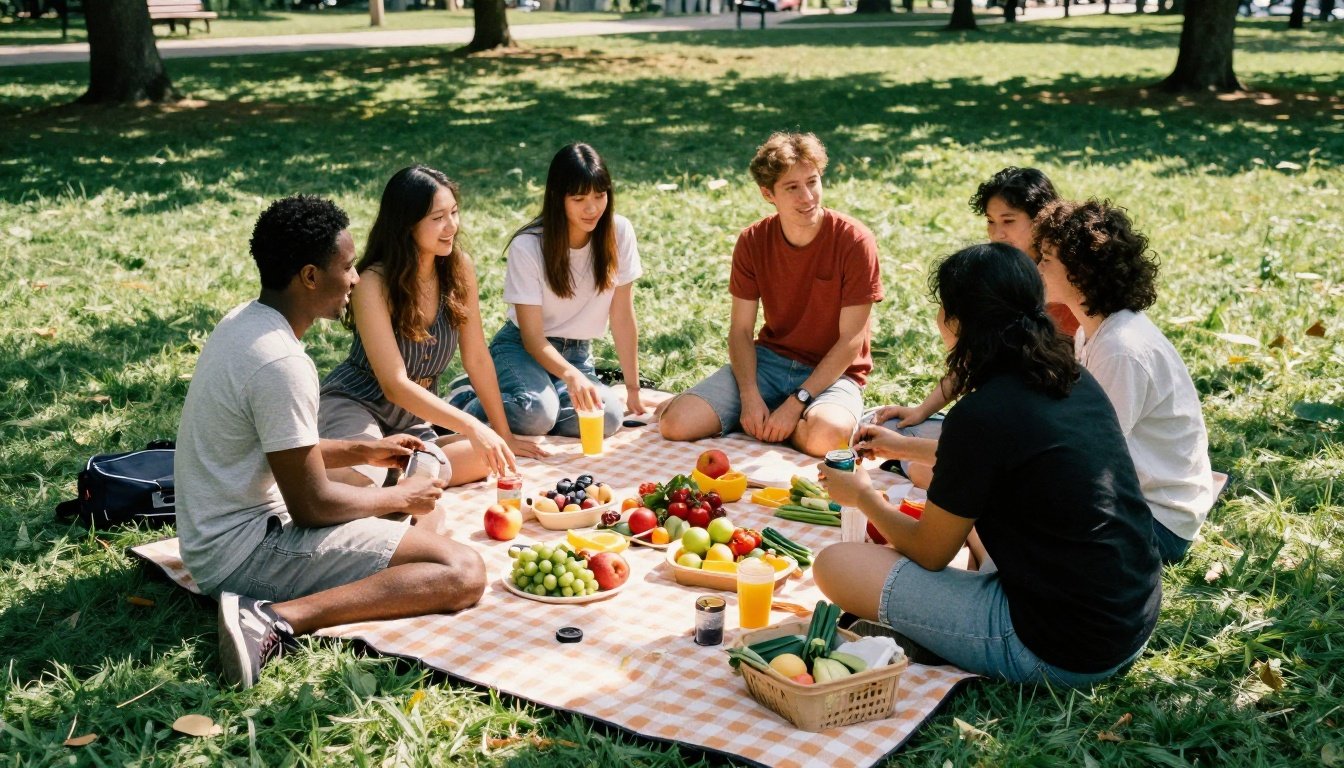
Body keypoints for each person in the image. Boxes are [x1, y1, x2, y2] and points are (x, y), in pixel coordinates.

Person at [813, 243, 1161, 687]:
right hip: (1128, 617)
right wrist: (903, 448)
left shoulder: (980, 415)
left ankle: (944, 634)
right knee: (956, 496)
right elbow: (1004, 460)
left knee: (835, 565)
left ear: (956, 322)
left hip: (1059, 647)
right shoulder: (1071, 377)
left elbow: (930, 552)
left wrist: (862, 495)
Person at [176, 195, 486, 690]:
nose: (357, 279)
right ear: (309, 276)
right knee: (460, 569)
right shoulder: (281, 363)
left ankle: (280, 606)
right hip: (243, 554)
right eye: (346, 267)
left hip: (214, 539)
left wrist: (360, 451)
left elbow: (276, 450)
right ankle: (276, 619)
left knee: (407, 520)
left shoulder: (245, 323)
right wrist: (401, 495)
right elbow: (312, 506)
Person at [658, 132, 883, 457]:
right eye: (792, 188)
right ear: (768, 193)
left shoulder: (855, 241)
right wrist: (750, 398)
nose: (807, 197)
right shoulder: (753, 241)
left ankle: (792, 421)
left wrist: (796, 403)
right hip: (769, 363)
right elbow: (740, 330)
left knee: (828, 439)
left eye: (813, 182)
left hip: (834, 373)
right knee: (675, 424)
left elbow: (850, 341)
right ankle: (771, 420)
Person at [319, 166, 544, 490]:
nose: (451, 225)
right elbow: (394, 384)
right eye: (438, 217)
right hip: (356, 403)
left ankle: (399, 474)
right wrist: (471, 425)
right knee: (365, 478)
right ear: (407, 224)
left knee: (490, 457)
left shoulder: (459, 268)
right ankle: (384, 473)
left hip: (413, 420)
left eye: (454, 212)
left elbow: (478, 357)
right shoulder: (373, 283)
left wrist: (500, 432)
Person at [1032, 199, 1214, 564]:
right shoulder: (1097, 329)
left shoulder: (1121, 349)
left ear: (1079, 271)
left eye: (1047, 259)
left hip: (1159, 525)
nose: (1037, 268)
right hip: (1138, 502)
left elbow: (1090, 456)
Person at [868, 167, 1070, 487]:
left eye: (1008, 221)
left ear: (1040, 220)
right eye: (991, 221)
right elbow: (973, 361)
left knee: (930, 468)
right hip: (1003, 418)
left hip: (1036, 427)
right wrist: (921, 411)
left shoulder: (1057, 285)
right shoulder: (997, 276)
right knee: (892, 433)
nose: (997, 233)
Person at [452, 143, 644, 438]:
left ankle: (543, 402)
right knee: (534, 414)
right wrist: (570, 377)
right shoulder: (528, 245)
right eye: (579, 198)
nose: (592, 208)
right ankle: (466, 399)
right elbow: (532, 338)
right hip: (521, 349)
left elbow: (622, 315)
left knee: (607, 418)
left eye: (600, 195)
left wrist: (632, 388)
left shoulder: (619, 232)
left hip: (577, 354)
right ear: (558, 198)